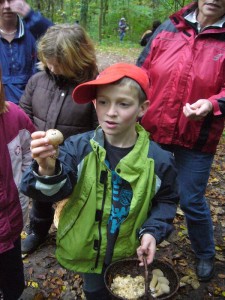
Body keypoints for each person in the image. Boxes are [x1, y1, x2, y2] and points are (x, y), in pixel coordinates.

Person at [20, 63, 179, 300]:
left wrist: (152, 232)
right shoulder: (78, 148)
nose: (110, 112)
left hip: (128, 249)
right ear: (94, 103)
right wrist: (47, 168)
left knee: (124, 289)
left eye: (123, 103)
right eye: (103, 102)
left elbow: (166, 201)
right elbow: (51, 193)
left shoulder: (159, 161)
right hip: (87, 248)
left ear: (142, 108)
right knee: (94, 290)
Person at [137, 0, 225, 282]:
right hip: (154, 129)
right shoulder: (169, 27)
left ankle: (205, 252)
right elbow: (141, 70)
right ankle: (142, 241)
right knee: (146, 190)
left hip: (197, 136)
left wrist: (212, 105)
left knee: (190, 199)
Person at [20, 23, 99, 255]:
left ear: (77, 58)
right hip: (43, 157)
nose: (52, 67)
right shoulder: (37, 81)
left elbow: (99, 128)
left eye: (58, 63)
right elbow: (24, 111)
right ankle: (38, 230)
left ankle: (75, 235)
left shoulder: (93, 87)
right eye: (48, 61)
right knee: (41, 197)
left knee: (75, 201)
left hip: (76, 160)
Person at [0, 68, 35, 300]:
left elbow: (30, 151)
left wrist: (23, 182)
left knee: (13, 282)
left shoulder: (13, 116)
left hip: (11, 220)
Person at [0, 0, 53, 105]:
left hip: (35, 105)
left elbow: (63, 42)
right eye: (1, 1)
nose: (6, 6)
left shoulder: (35, 30)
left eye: (11, 1)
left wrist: (30, 15)